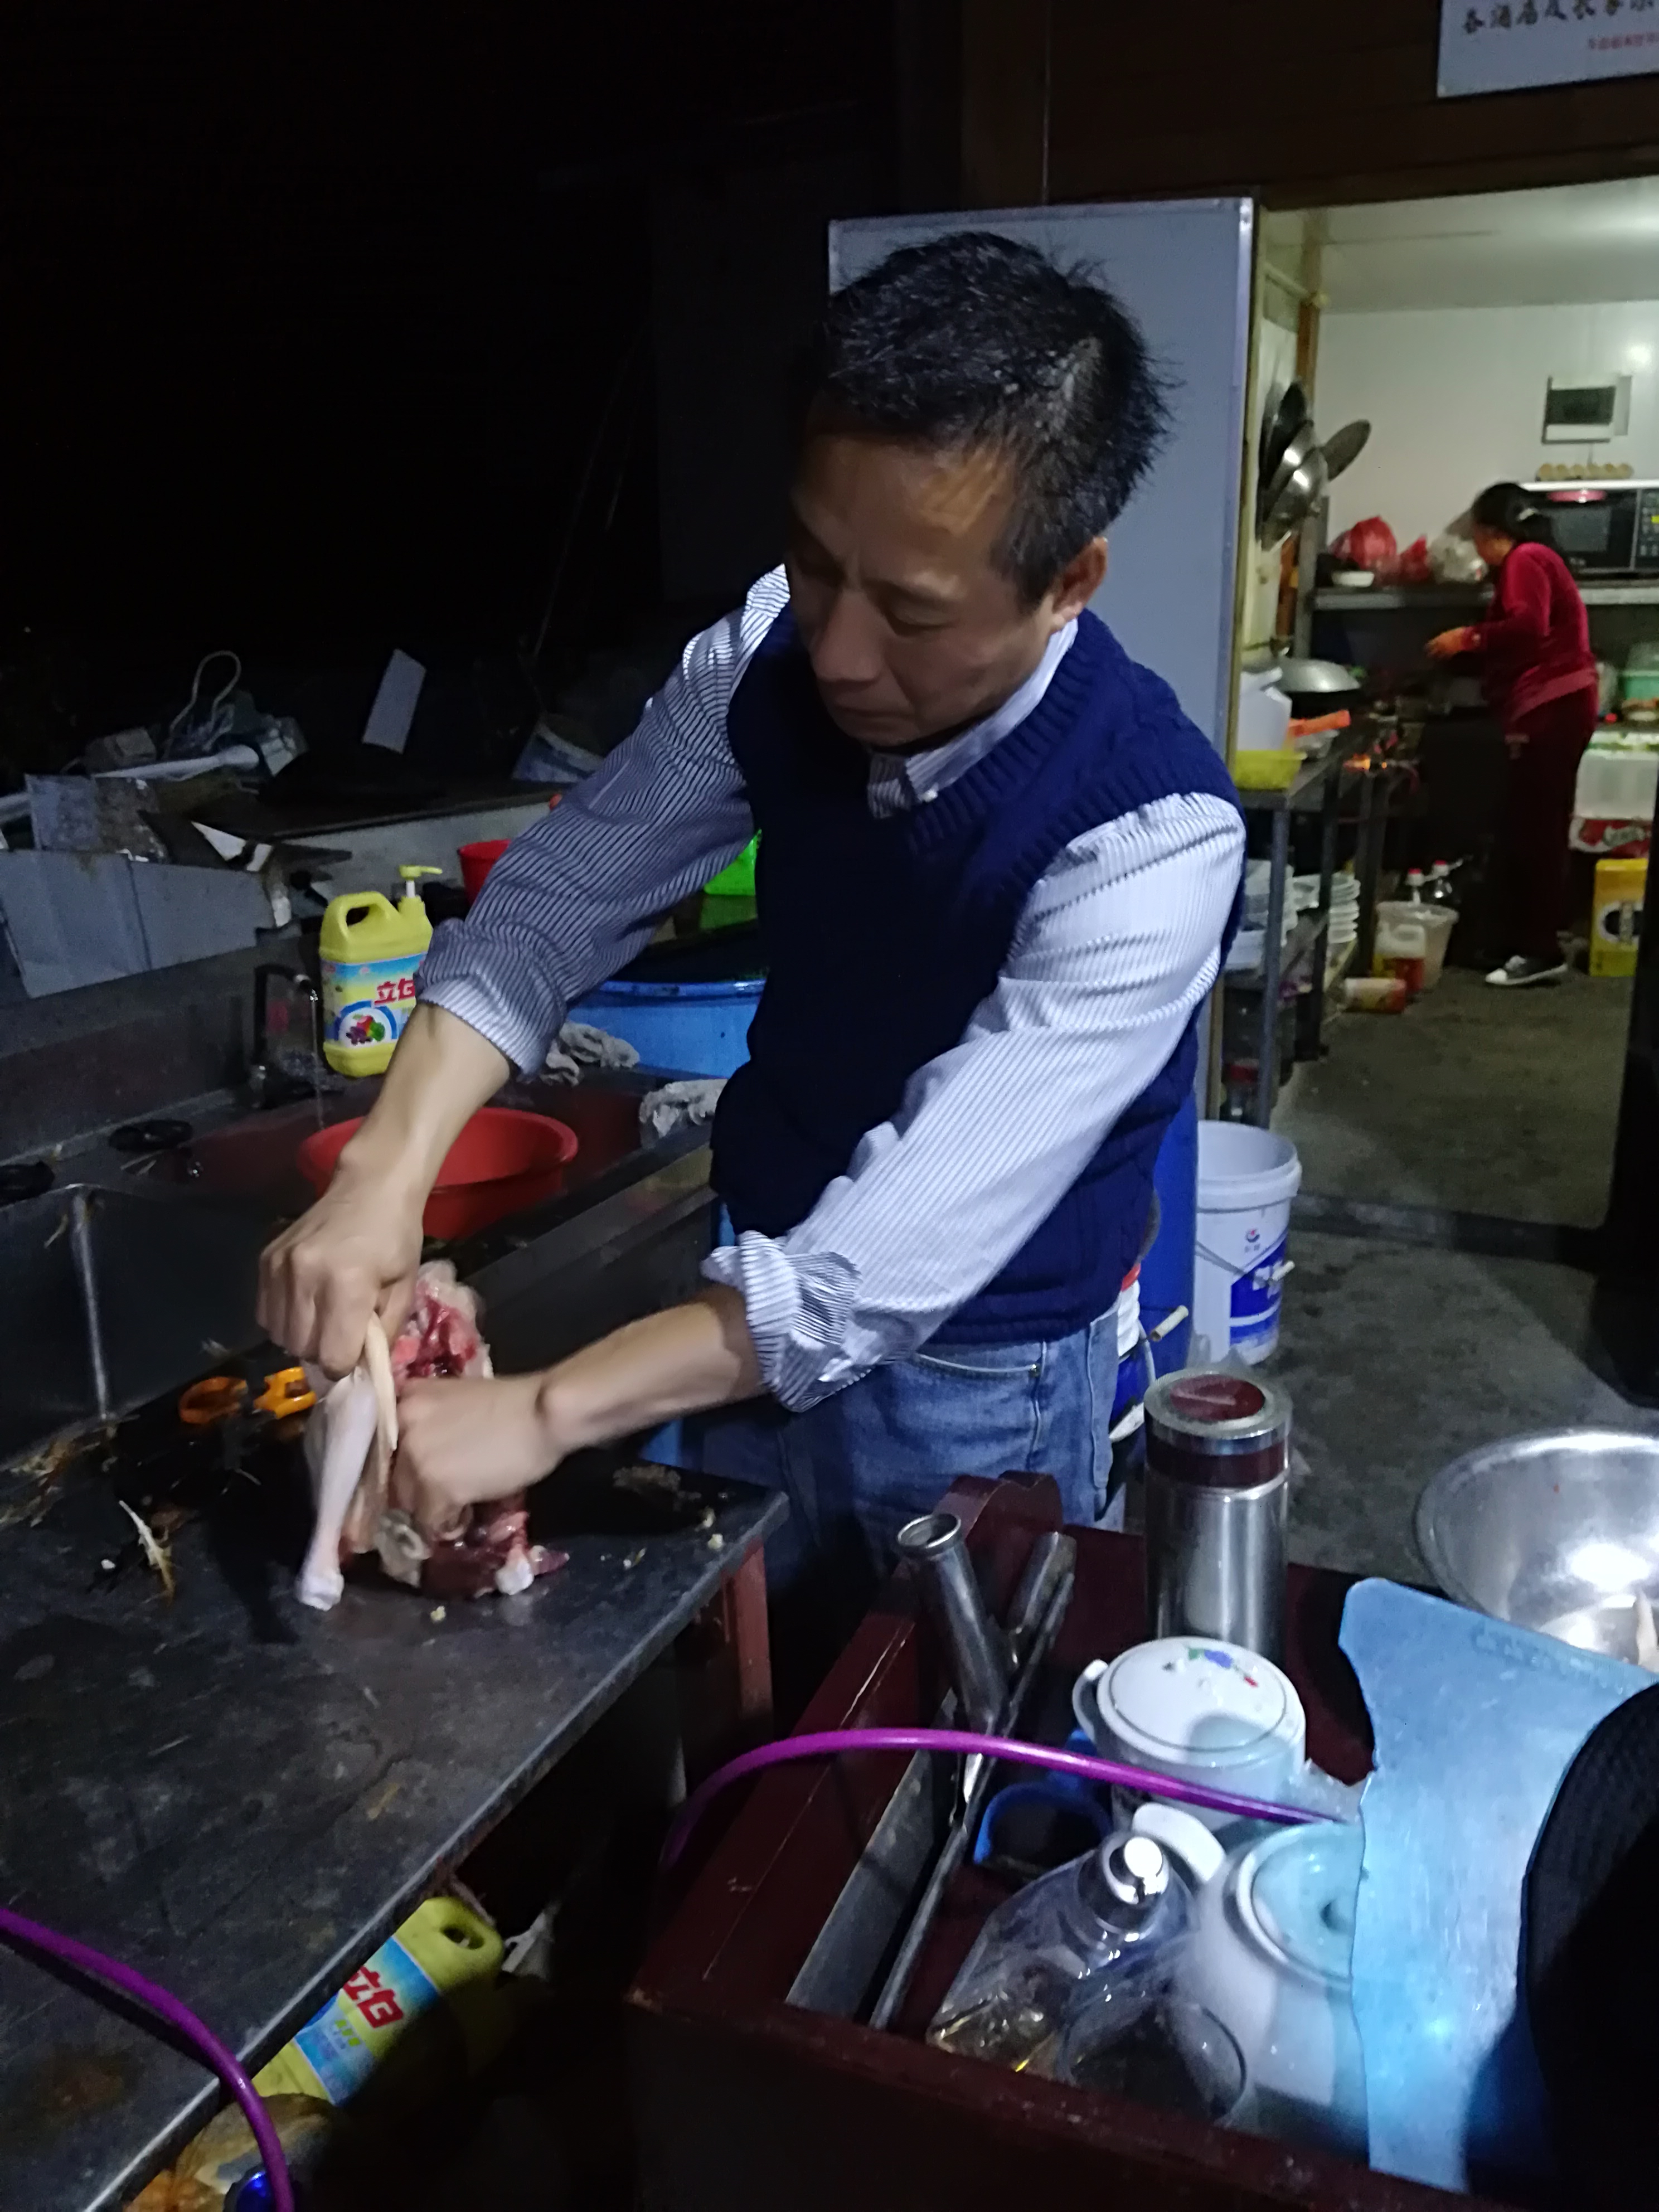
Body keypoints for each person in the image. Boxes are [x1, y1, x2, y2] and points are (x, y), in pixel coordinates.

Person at [258, 232, 1244, 1638]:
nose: (840, 652)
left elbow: (871, 1270)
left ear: (1069, 580)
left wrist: (543, 1409)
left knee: (925, 1736)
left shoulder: (1148, 839)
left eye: (911, 612)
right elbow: (551, 904)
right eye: (816, 562)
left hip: (977, 1374)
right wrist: (385, 1168)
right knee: (734, 1688)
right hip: (736, 1301)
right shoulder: (771, 657)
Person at [1427, 481, 1598, 988]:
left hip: (1552, 707)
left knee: (1538, 833)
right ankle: (1528, 939)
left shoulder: (1526, 560)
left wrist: (1466, 638)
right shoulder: (1538, 559)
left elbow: (1528, 627)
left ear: (1487, 532)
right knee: (1534, 826)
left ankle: (1541, 951)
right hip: (1557, 706)